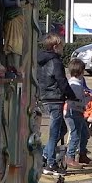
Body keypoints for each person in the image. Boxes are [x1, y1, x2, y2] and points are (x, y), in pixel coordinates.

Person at [37, 33, 73, 175]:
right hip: (55, 99)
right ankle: (50, 163)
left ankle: (46, 154)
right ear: (55, 46)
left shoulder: (40, 60)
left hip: (44, 98)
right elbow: (62, 81)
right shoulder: (55, 62)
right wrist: (72, 96)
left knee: (62, 129)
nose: (63, 49)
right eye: (62, 46)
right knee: (54, 133)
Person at [0, 0, 29, 78]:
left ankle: (17, 66)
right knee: (14, 43)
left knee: (21, 44)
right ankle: (14, 66)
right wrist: (18, 2)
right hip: (12, 18)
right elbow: (6, 2)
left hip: (20, 18)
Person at [64, 59, 90, 168]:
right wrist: (86, 99)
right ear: (81, 71)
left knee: (84, 133)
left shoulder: (77, 83)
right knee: (75, 134)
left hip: (77, 111)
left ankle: (82, 154)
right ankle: (70, 157)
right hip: (74, 112)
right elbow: (75, 100)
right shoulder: (75, 84)